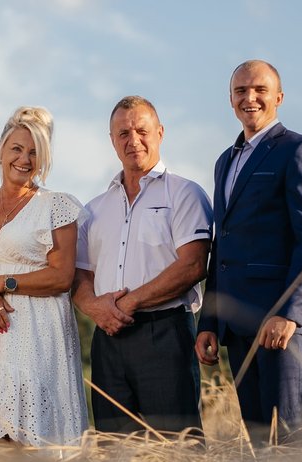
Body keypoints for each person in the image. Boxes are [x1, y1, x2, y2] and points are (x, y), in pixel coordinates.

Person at [195, 60, 302, 443]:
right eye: (241, 91)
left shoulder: (299, 150)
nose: (249, 98)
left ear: (279, 97)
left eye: (260, 90)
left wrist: (289, 313)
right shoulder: (225, 161)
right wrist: (209, 321)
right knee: (259, 445)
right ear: (231, 99)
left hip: (279, 324)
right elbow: (222, 246)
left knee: (288, 442)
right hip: (237, 327)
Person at [72, 96, 213, 435]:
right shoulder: (93, 209)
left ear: (160, 133)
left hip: (165, 334)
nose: (133, 140)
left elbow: (193, 265)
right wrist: (94, 307)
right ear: (112, 140)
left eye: (141, 131)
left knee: (176, 445)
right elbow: (79, 273)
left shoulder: (185, 194)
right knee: (114, 447)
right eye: (123, 133)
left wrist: (128, 303)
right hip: (108, 339)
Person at [0, 106, 88, 447]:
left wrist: (2, 283)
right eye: (17, 148)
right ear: (0, 150)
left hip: (39, 330)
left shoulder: (56, 205)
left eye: (34, 152)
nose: (24, 159)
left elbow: (62, 276)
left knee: (31, 434)